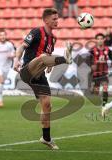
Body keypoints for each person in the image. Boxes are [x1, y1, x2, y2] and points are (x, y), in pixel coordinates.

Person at [13, 8, 72, 150]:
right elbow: (22, 47)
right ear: (46, 20)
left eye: (57, 19)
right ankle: (65, 58)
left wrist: (50, 65)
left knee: (47, 106)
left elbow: (48, 54)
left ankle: (46, 138)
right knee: (42, 58)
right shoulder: (36, 32)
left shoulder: (53, 38)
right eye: (54, 19)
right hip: (28, 70)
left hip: (39, 75)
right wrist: (16, 60)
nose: (57, 21)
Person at [89, 33, 112, 106]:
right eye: (98, 39)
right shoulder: (92, 50)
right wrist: (92, 65)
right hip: (95, 74)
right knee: (96, 92)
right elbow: (88, 61)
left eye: (101, 39)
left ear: (104, 40)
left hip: (104, 73)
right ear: (96, 40)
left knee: (105, 88)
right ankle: (92, 91)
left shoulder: (107, 50)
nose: (100, 40)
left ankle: (104, 104)